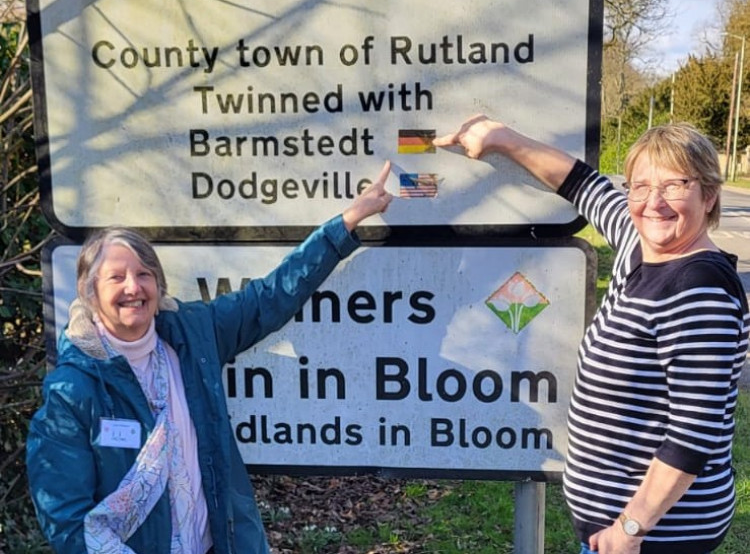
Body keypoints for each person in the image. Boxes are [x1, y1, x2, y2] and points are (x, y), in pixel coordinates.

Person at [26, 161, 393, 554]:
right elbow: (65, 518)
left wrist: (346, 223)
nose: (133, 287)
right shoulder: (73, 390)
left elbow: (267, 298)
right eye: (116, 277)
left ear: (158, 283)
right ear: (90, 293)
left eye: (144, 274)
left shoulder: (192, 335)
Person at [434, 116, 749, 554]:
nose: (653, 202)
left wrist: (631, 528)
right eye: (640, 186)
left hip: (659, 537)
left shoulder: (697, 290)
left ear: (709, 194)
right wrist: (501, 139)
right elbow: (583, 184)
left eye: (675, 185)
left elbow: (693, 435)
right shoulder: (638, 240)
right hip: (616, 530)